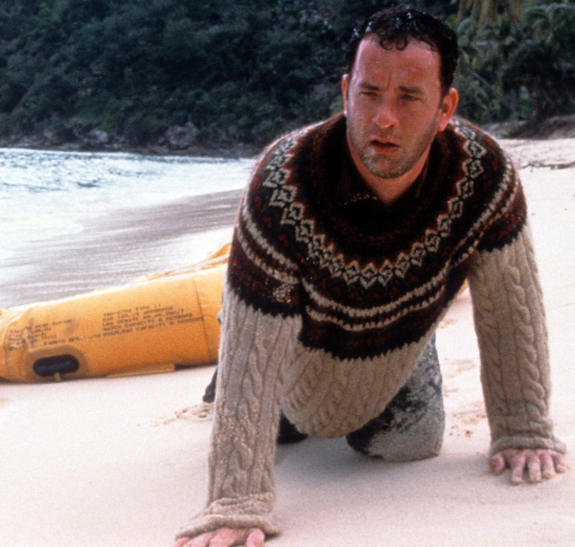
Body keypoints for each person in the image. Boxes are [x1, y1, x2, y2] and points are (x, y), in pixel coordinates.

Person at [174, 7, 567, 547]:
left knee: (409, 445)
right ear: (345, 93)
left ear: (445, 107)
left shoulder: (484, 175)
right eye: (370, 94)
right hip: (294, 348)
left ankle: (412, 353)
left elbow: (510, 305)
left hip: (400, 338)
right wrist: (236, 499)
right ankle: (226, 372)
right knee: (288, 425)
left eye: (409, 98)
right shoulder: (284, 182)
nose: (384, 118)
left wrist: (523, 427)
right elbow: (256, 342)